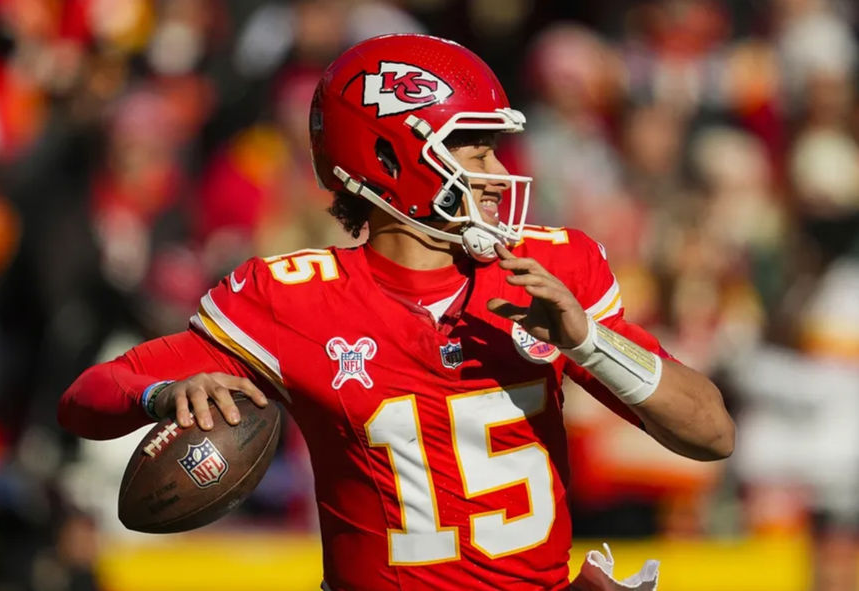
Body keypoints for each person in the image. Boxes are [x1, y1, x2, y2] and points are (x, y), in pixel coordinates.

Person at [57, 34, 734, 591]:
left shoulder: (552, 267)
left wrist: (588, 342)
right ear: (391, 157)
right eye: (474, 148)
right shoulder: (292, 296)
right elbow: (87, 399)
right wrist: (165, 393)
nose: (500, 168)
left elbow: (710, 431)